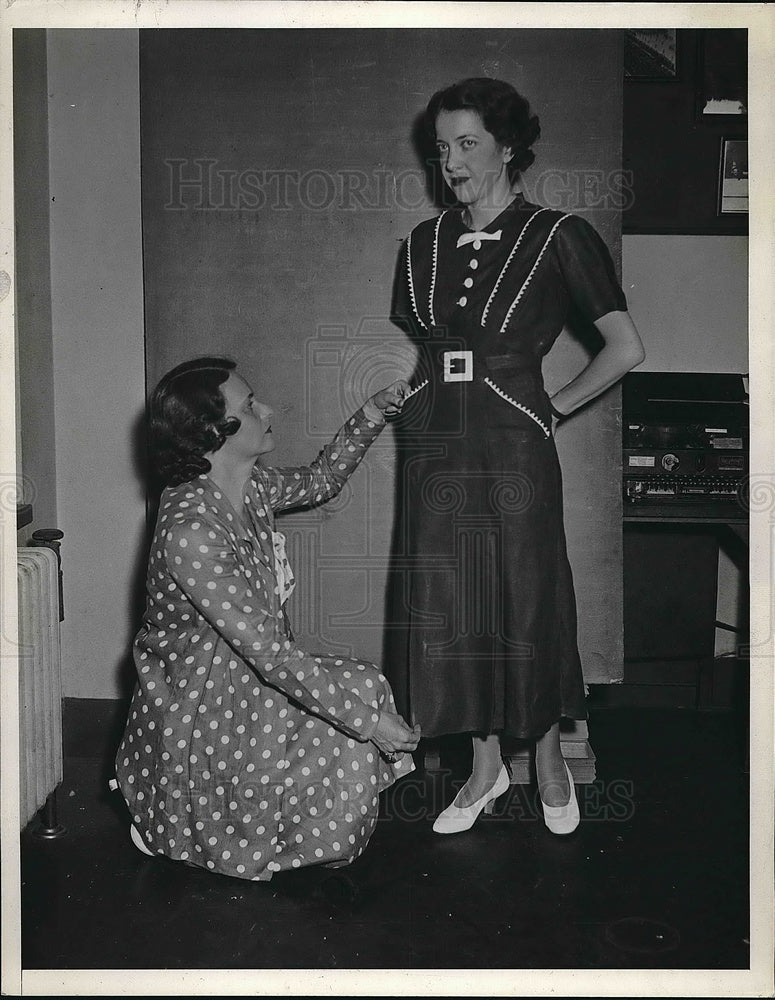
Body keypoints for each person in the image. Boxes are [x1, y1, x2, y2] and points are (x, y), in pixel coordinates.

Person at [387, 77, 645, 835]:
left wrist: (551, 411)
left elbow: (625, 348)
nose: (452, 162)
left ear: (507, 147)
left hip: (513, 450)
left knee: (522, 597)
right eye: (441, 148)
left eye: (468, 144)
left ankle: (548, 757)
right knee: (454, 601)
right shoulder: (421, 245)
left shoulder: (560, 235)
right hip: (435, 449)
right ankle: (484, 766)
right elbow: (436, 353)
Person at [114, 357, 420, 880]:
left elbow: (322, 479)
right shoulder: (190, 530)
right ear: (215, 431)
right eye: (250, 404)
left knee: (363, 686)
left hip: (246, 675)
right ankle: (183, 821)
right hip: (197, 699)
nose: (267, 410)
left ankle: (286, 833)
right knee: (356, 709)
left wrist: (370, 412)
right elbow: (270, 655)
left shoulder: (252, 490)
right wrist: (369, 725)